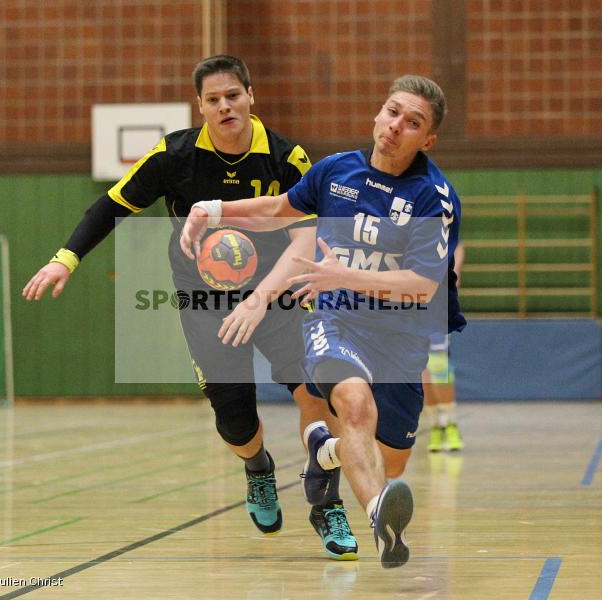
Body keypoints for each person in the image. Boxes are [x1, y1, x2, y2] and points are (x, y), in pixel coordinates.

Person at [22, 55, 358, 560]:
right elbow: (110, 206)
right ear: (199, 106)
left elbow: (307, 237)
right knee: (236, 421)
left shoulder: (288, 159)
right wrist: (65, 260)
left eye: (233, 95)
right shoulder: (173, 157)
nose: (225, 106)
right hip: (206, 303)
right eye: (213, 99)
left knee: (315, 392)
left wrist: (286, 286)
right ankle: (258, 469)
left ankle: (326, 502)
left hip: (279, 293)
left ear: (251, 96)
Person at [181, 74, 466, 568]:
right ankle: (380, 518)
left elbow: (423, 285)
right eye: (392, 112)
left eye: (412, 122)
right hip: (337, 320)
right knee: (354, 406)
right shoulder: (337, 171)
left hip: (401, 336)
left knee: (388, 457)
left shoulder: (432, 198)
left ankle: (324, 453)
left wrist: (346, 273)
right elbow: (278, 208)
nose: (396, 126)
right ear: (379, 113)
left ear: (428, 139)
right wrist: (215, 208)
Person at [424, 240, 464, 452]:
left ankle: (451, 423)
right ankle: (435, 425)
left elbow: (457, 246)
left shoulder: (441, 216)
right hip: (409, 302)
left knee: (439, 365)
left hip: (437, 301)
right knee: (421, 369)